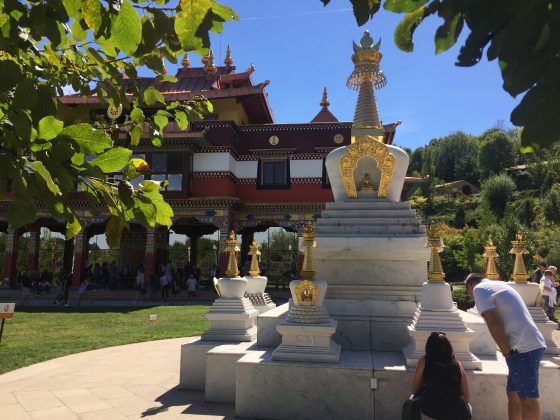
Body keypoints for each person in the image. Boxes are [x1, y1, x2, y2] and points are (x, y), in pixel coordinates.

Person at [465, 273, 546, 420]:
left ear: (470, 286)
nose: (471, 297)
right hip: (527, 344)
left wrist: (505, 351)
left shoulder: (479, 289)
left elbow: (492, 320)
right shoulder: (499, 285)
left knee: (527, 398)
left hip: (522, 347)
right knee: (513, 393)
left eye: (468, 293)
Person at [411, 332, 471, 420]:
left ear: (429, 348)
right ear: (449, 347)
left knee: (413, 399)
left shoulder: (423, 362)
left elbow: (415, 390)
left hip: (430, 412)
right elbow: (467, 397)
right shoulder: (457, 365)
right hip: (457, 414)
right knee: (468, 407)